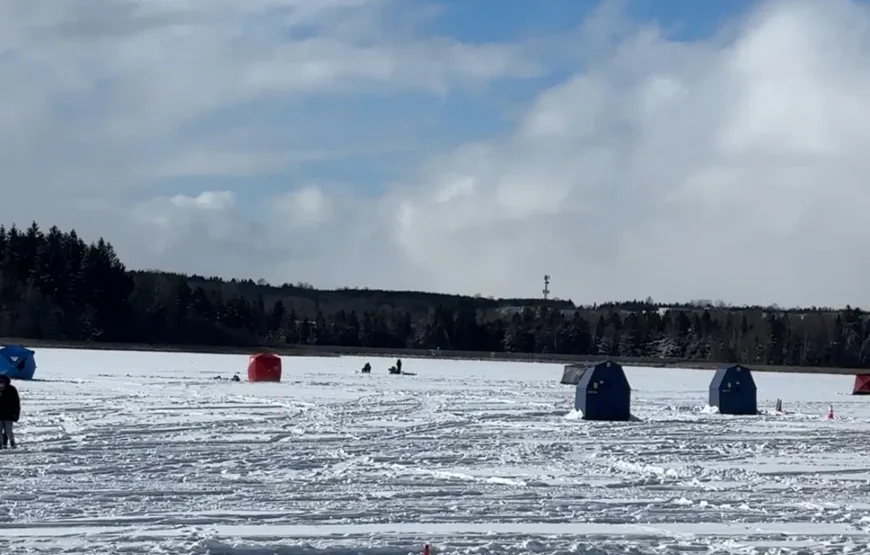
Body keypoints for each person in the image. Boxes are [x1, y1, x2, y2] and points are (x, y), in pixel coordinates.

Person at [0, 375, 19, 449]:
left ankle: (12, 442)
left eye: (2, 382)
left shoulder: (12, 390)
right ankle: (1, 444)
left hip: (9, 415)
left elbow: (16, 403)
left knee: (8, 431)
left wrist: (16, 414)